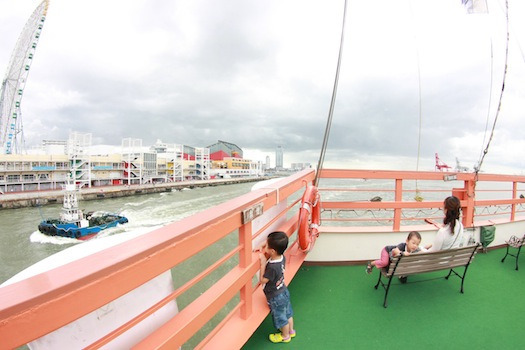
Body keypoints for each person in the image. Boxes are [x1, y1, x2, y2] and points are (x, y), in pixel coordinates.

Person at [259, 231, 296, 343]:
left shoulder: (272, 267)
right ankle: (291, 331)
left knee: (281, 318)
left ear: (272, 251)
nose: (265, 245)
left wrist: (262, 264)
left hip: (275, 297)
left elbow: (263, 280)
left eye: (267, 245)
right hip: (283, 291)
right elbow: (271, 247)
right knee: (288, 313)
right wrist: (261, 246)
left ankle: (285, 336)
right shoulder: (282, 257)